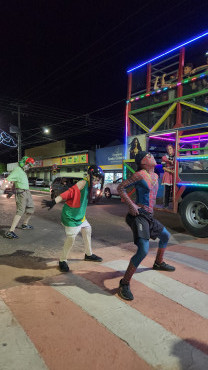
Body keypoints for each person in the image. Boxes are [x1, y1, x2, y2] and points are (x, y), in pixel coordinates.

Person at [117, 151, 175, 301]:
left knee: (166, 236)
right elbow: (121, 188)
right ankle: (124, 283)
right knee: (143, 250)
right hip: (138, 215)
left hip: (149, 216)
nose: (152, 156)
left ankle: (158, 262)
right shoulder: (140, 174)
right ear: (142, 162)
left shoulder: (155, 176)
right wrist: (131, 205)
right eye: (148, 155)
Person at [41, 165, 104, 272]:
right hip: (70, 216)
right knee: (71, 239)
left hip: (80, 217)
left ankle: (88, 254)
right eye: (95, 178)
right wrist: (53, 201)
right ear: (90, 175)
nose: (97, 181)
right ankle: (62, 260)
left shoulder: (89, 185)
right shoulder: (83, 183)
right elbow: (68, 193)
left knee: (87, 229)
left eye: (98, 179)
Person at [5, 156, 35, 239]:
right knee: (20, 211)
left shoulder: (23, 171)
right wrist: (9, 191)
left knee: (31, 209)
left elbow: (16, 181)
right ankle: (10, 231)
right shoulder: (17, 170)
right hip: (21, 193)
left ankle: (24, 224)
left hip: (27, 192)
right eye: (28, 165)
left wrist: (12, 190)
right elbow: (9, 179)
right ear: (24, 163)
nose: (29, 168)